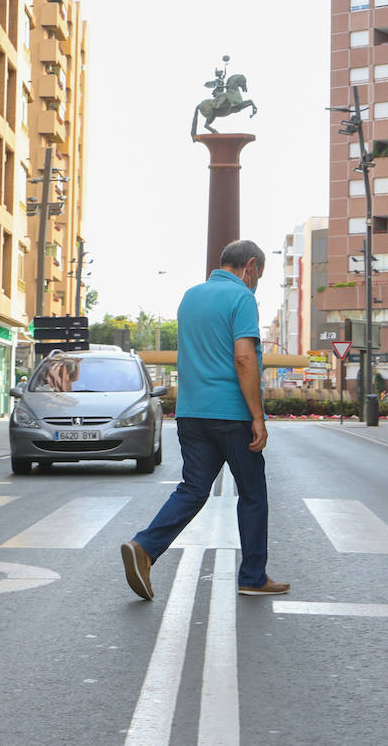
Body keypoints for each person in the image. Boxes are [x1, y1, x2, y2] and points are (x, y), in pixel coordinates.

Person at [120, 240, 288, 600]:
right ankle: (253, 576)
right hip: (231, 414)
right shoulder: (242, 298)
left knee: (194, 489)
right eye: (258, 274)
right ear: (251, 266)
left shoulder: (190, 296)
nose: (256, 281)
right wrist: (257, 417)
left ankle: (145, 547)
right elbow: (244, 359)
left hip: (192, 413)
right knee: (253, 494)